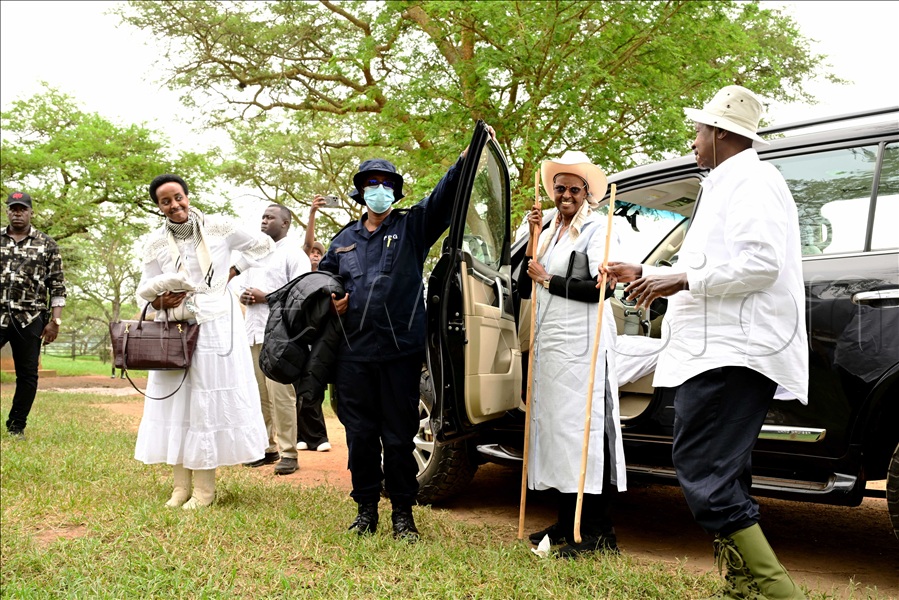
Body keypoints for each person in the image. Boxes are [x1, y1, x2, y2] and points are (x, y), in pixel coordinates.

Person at [603, 86, 808, 599]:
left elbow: (760, 265)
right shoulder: (727, 182)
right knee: (725, 476)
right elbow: (713, 264)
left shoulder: (752, 181)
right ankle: (743, 588)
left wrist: (678, 281)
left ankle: (778, 591)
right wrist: (649, 271)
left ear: (720, 133)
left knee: (704, 474)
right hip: (716, 351)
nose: (693, 141)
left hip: (732, 352)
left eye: (698, 131)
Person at [318, 126, 494, 542]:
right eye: (371, 184)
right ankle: (365, 511)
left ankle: (402, 514)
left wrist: (465, 161)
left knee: (398, 438)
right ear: (360, 193)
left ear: (395, 192)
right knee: (360, 437)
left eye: (386, 184)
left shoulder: (412, 226)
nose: (379, 190)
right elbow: (323, 278)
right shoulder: (343, 238)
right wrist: (332, 296)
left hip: (400, 352)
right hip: (353, 353)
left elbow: (442, 198)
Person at [134, 174, 273, 510]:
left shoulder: (219, 227)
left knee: (205, 401)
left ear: (187, 195)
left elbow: (263, 245)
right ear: (159, 207)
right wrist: (157, 303)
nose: (175, 205)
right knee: (177, 401)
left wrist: (234, 270)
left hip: (216, 324)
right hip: (174, 328)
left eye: (178, 197)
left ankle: (204, 491)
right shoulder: (155, 243)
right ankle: (180, 487)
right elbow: (145, 286)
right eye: (166, 201)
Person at [521, 151, 627, 558]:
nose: (565, 195)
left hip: (585, 345)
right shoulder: (547, 229)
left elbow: (603, 289)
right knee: (559, 435)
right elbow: (523, 278)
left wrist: (549, 279)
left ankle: (600, 535)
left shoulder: (599, 229)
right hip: (552, 346)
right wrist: (532, 239)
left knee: (584, 435)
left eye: (573, 189)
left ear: (587, 193)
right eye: (559, 188)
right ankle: (568, 522)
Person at [236, 203, 311, 475]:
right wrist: (246, 296)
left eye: (271, 217)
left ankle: (289, 452)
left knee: (281, 395)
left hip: (280, 335)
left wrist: (265, 297)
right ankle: (266, 448)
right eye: (263, 217)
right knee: (259, 394)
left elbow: (302, 292)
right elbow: (243, 287)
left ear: (285, 223)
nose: (264, 221)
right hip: (253, 331)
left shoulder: (293, 254)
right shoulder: (254, 255)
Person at [1, 191, 66, 439]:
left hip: (30, 319)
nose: (17, 213)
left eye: (22, 209)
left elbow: (57, 286)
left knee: (27, 375)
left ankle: (16, 426)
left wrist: (54, 321)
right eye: (13, 208)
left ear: (31, 212)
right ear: (7, 211)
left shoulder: (47, 244)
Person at [294, 195, 332, 453]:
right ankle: (303, 437)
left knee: (314, 384)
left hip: (320, 337)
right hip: (298, 336)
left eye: (319, 253)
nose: (315, 255)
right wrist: (312, 214)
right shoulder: (298, 273)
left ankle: (319, 437)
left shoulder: (327, 276)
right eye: (312, 252)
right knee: (297, 387)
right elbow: (307, 243)